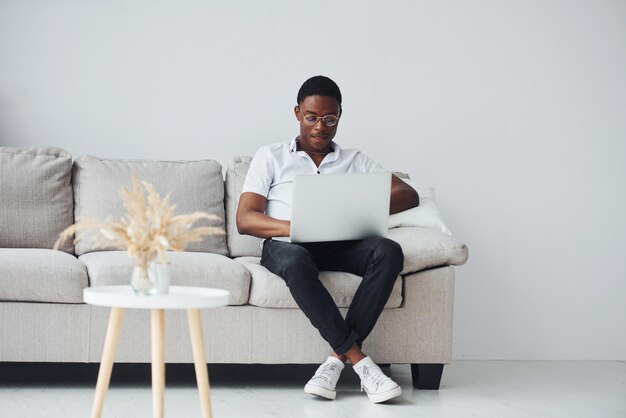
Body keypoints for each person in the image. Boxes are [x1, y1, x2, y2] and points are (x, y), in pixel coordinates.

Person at [236, 75, 419, 403]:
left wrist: (358, 209)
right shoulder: (271, 156)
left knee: (388, 251)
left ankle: (335, 361)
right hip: (287, 246)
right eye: (312, 117)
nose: (321, 126)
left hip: (340, 244)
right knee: (295, 260)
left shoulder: (355, 160)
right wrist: (296, 225)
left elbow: (408, 194)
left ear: (339, 117)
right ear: (297, 113)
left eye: (330, 118)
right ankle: (360, 362)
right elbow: (245, 219)